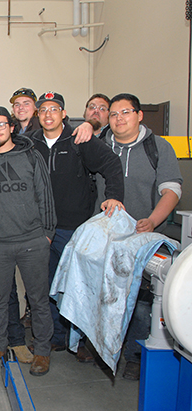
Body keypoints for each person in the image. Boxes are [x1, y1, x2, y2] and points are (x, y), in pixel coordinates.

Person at [29, 91, 124, 360]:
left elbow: (110, 163)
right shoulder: (30, 143)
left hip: (73, 227)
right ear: (38, 115)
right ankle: (53, 338)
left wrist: (113, 195)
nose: (48, 114)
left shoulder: (79, 139)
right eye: (43, 109)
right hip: (39, 229)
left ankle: (81, 341)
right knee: (44, 286)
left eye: (54, 109)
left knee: (78, 286)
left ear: (63, 113)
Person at [101, 93, 183, 380]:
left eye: (125, 112)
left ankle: (135, 354)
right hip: (106, 235)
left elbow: (171, 189)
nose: (119, 118)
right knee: (106, 292)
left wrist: (152, 221)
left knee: (141, 297)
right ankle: (99, 345)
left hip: (143, 234)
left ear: (139, 115)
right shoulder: (101, 145)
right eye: (113, 113)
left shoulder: (159, 147)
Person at [0, 106, 56, 376]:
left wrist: (47, 234)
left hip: (33, 240)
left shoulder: (30, 156)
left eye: (1, 125)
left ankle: (42, 351)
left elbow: (45, 194)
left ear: (11, 127)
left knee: (38, 300)